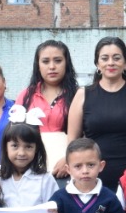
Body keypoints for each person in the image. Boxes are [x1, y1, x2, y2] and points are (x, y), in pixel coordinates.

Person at [68, 36, 126, 193]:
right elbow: (72, 142)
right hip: (94, 175)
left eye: (116, 58)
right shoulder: (83, 95)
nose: (111, 63)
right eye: (104, 58)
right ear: (97, 64)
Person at [17, 40, 80, 178]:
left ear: (66, 63)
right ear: (38, 65)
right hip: (30, 170)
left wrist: (70, 159)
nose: (52, 66)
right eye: (45, 61)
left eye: (58, 61)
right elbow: (15, 135)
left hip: (69, 171)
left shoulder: (79, 95)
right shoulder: (26, 96)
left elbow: (87, 136)